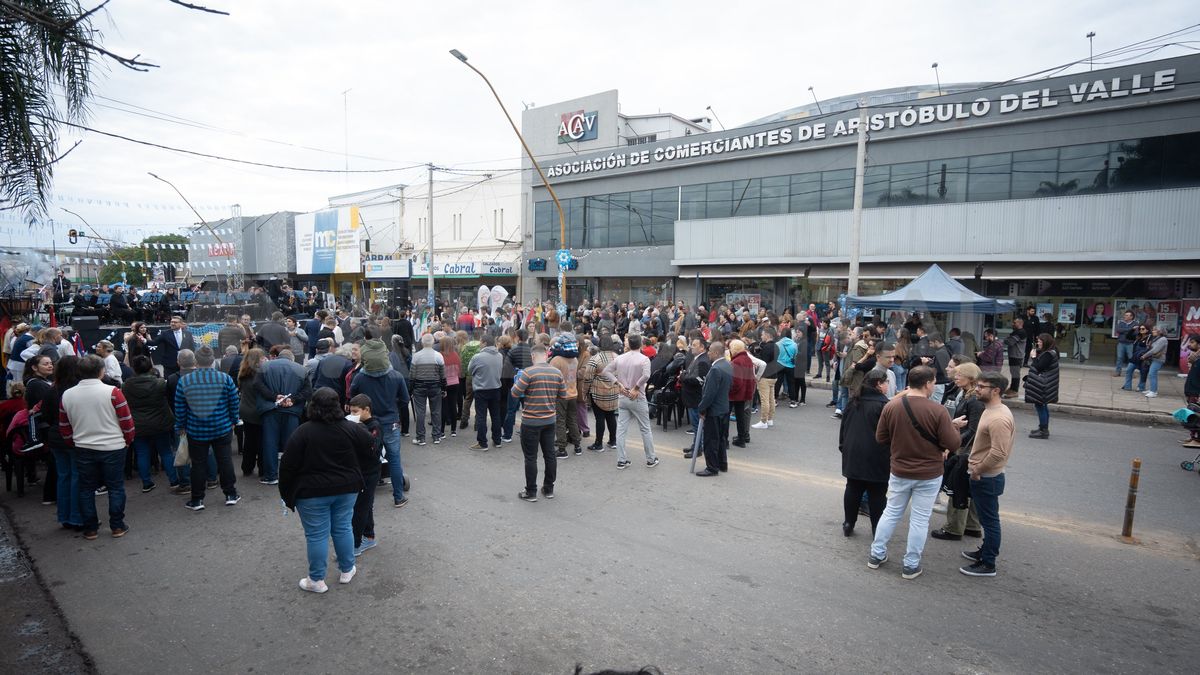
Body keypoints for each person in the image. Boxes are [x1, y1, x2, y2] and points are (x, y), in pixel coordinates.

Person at [868, 366, 961, 580]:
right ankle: (910, 565)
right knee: (920, 519)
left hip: (900, 469)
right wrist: (954, 427)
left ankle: (876, 554)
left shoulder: (892, 406)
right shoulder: (937, 410)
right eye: (933, 382)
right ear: (928, 384)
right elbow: (953, 443)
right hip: (929, 473)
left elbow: (881, 438)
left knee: (891, 512)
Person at [280, 387, 374, 593]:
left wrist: (287, 495)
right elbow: (370, 448)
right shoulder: (351, 428)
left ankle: (316, 580)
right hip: (347, 488)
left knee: (316, 535)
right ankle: (347, 569)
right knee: (342, 527)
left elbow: (287, 466)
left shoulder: (303, 432)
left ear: (312, 406)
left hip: (311, 493)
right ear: (340, 405)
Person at [58, 355, 136, 540]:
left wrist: (72, 442)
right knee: (115, 487)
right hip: (113, 446)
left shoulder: (67, 395)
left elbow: (64, 426)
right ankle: (117, 526)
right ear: (101, 371)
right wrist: (127, 440)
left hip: (83, 446)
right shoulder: (113, 392)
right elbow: (127, 421)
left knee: (86, 489)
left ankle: (91, 528)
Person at [961, 372, 1015, 577]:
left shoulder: (999, 418)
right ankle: (984, 551)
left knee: (990, 521)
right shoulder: (990, 409)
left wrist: (978, 470)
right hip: (983, 476)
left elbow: (999, 452)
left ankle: (988, 563)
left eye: (982, 386)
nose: (977, 389)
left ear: (996, 390)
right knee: (986, 519)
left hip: (987, 477)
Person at [174, 346, 241, 510]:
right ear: (213, 361)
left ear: (196, 361)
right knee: (225, 461)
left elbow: (180, 408)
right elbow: (234, 404)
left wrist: (180, 426)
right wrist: (233, 421)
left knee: (198, 464)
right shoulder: (225, 379)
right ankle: (230, 494)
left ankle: (197, 500)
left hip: (196, 431)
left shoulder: (184, 381)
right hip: (222, 428)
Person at [348, 338, 410, 507]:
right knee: (394, 459)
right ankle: (398, 496)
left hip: (368, 423)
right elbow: (405, 400)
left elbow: (352, 397)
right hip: (391, 422)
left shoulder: (360, 378)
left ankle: (363, 496)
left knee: (366, 457)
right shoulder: (396, 376)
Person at [930, 362, 986, 541]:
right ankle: (971, 526)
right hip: (966, 449)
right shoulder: (965, 395)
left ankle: (954, 528)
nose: (955, 376)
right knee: (968, 488)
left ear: (970, 378)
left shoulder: (974, 400)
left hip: (965, 450)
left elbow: (973, 429)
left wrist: (951, 444)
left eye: (959, 374)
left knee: (958, 488)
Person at [511, 344, 568, 502]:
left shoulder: (528, 372)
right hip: (550, 420)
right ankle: (549, 489)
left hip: (531, 421)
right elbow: (563, 395)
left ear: (533, 356)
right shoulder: (557, 373)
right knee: (549, 455)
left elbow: (515, 393)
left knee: (531, 457)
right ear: (546, 355)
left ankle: (531, 492)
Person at [838, 368, 891, 535]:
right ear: (879, 384)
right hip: (878, 454)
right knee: (877, 493)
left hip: (853, 451)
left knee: (853, 488)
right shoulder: (884, 405)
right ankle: (877, 528)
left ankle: (848, 523)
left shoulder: (854, 401)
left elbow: (843, 428)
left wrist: (843, 446)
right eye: (886, 382)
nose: (888, 385)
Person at [121, 356, 182, 493]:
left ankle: (146, 483)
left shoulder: (126, 386)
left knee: (142, 453)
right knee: (166, 451)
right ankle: (173, 480)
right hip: (160, 422)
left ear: (134, 368)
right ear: (150, 368)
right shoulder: (160, 383)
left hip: (139, 425)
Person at [600, 334, 660, 470]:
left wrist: (619, 384)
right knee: (645, 429)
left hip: (623, 396)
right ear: (640, 344)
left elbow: (606, 371)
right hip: (637, 396)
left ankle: (621, 460)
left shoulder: (620, 358)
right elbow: (646, 375)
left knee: (621, 430)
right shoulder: (644, 359)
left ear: (629, 344)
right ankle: (651, 458)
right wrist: (637, 387)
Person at [255, 348, 312, 486]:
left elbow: (257, 385)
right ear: (291, 358)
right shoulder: (302, 369)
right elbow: (307, 391)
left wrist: (274, 397)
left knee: (270, 442)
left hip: (270, 409)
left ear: (278, 357)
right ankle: (291, 475)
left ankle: (271, 476)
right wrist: (293, 400)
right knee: (291, 444)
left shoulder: (264, 367)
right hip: (292, 411)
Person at [347, 394, 381, 556]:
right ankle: (369, 536)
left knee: (360, 508)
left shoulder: (374, 426)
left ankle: (355, 544)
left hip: (369, 473)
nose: (352, 415)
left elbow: (372, 449)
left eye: (355, 412)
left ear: (366, 410)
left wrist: (357, 428)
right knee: (365, 505)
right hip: (359, 470)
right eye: (350, 412)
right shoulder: (358, 423)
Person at [695, 341, 731, 476]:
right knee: (721, 438)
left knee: (711, 440)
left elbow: (710, 394)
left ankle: (712, 467)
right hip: (724, 407)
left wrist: (701, 408)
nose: (708, 353)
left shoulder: (716, 368)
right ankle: (722, 463)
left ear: (716, 353)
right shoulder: (727, 365)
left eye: (710, 351)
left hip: (714, 410)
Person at [582, 335, 620, 452]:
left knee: (599, 418)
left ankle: (598, 444)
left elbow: (587, 378)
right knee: (611, 416)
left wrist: (584, 392)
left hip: (598, 393)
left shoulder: (595, 359)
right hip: (614, 392)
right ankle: (613, 441)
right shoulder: (617, 357)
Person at [466, 334, 504, 451]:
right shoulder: (499, 355)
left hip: (482, 389)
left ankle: (482, 443)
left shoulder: (477, 357)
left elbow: (470, 370)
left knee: (481, 416)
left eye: (481, 342)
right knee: (495, 415)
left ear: (485, 343)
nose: (480, 344)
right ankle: (497, 440)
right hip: (496, 388)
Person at [410, 334, 446, 446]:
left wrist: (410, 389)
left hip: (419, 387)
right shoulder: (438, 356)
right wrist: (443, 388)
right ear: (433, 342)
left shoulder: (416, 356)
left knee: (420, 412)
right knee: (436, 411)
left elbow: (412, 375)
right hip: (435, 386)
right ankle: (436, 436)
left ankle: (421, 438)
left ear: (422, 343)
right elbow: (442, 375)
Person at [549, 333, 581, 458]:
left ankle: (562, 449)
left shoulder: (556, 360)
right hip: (573, 393)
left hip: (560, 395)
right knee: (572, 419)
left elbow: (550, 377)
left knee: (560, 421)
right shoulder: (575, 359)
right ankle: (577, 445)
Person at [1024, 334, 1060, 439]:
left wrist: (1033, 357)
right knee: (1043, 406)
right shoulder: (1051, 352)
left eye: (1039, 341)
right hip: (1047, 383)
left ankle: (1043, 431)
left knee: (1040, 406)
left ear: (1045, 342)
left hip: (1043, 384)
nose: (1038, 343)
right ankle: (1042, 428)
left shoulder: (1049, 354)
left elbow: (1039, 367)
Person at [237, 349, 266, 477]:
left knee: (249, 440)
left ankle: (247, 467)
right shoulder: (261, 375)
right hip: (259, 411)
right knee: (262, 441)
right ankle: (262, 468)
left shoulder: (243, 374)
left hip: (245, 410)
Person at [680, 338, 711, 438]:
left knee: (698, 426)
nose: (690, 347)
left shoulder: (702, 361)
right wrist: (685, 374)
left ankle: (698, 448)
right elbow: (691, 374)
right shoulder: (698, 358)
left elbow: (699, 380)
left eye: (694, 345)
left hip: (695, 398)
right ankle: (695, 446)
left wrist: (683, 377)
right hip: (692, 398)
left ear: (702, 347)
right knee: (696, 426)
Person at [752, 329, 779, 430]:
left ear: (767, 335)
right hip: (774, 375)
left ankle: (763, 421)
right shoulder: (776, 346)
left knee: (765, 400)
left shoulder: (767, 347)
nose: (761, 336)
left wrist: (757, 354)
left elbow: (762, 362)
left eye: (763, 334)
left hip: (765, 376)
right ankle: (770, 419)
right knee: (771, 399)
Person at [1141, 325, 1169, 399]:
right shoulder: (1157, 338)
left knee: (1152, 373)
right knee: (1152, 374)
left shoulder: (1163, 339)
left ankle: (1153, 392)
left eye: (1154, 330)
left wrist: (1145, 355)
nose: (1152, 331)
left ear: (1159, 331)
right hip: (1154, 358)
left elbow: (1155, 350)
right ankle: (1152, 390)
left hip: (1159, 359)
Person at [1001, 318, 1027, 399]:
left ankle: (1015, 391)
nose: (1013, 324)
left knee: (1015, 374)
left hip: (1017, 356)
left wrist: (1006, 339)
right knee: (1013, 373)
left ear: (1020, 323)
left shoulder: (1021, 332)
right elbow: (1009, 339)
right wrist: (1007, 338)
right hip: (1014, 355)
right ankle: (1012, 388)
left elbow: (1010, 342)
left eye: (1014, 322)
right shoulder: (1016, 332)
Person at [1113, 310, 1138, 377]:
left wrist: (1125, 330)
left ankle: (1131, 373)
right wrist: (1130, 329)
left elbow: (1135, 333)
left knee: (1131, 358)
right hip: (1121, 343)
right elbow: (1118, 330)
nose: (1125, 316)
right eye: (1125, 315)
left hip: (1130, 344)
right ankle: (1118, 372)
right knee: (1119, 357)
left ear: (1131, 317)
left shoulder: (1135, 324)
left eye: (1127, 315)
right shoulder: (1121, 323)